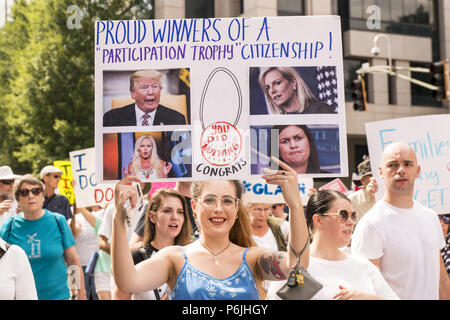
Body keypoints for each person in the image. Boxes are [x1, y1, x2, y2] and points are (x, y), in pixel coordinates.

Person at [111, 158, 309, 300]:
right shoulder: (173, 258)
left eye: (228, 201)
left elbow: (297, 266)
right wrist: (119, 217)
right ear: (195, 207)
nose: (218, 208)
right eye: (210, 200)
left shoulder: (254, 258)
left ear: (237, 208)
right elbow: (128, 281)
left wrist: (295, 204)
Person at [351, 142, 450, 300]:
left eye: (408, 164)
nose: (401, 170)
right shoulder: (371, 224)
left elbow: (442, 281)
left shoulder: (431, 217)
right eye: (393, 165)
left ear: (417, 171)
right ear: (381, 172)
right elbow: (366, 290)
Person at [267, 190, 399, 300]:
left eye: (353, 216)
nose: (350, 222)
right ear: (318, 220)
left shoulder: (363, 265)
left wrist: (367, 298)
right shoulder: (292, 264)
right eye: (343, 215)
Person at [0, 174, 86, 300]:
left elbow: (73, 261)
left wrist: (81, 293)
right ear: (18, 200)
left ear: (43, 197)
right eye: (24, 192)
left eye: (36, 191)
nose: (31, 196)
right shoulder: (9, 226)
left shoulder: (58, 221)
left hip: (59, 297)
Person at [117, 188, 193, 300]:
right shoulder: (137, 257)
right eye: (167, 211)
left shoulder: (192, 255)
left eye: (180, 212)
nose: (175, 217)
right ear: (152, 216)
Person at [103, 69, 186, 127]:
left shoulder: (177, 119)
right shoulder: (112, 118)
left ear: (160, 91)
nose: (150, 92)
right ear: (133, 93)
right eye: (144, 87)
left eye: (154, 86)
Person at [258, 67, 335, 115]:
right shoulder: (275, 123)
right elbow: (273, 142)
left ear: (293, 82)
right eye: (268, 88)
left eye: (277, 83)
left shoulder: (320, 110)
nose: (272, 91)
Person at [69, 205, 103, 300]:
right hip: (80, 265)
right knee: (83, 295)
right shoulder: (74, 218)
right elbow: (71, 236)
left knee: (98, 295)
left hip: (98, 265)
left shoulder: (99, 215)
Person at [348, 156, 378, 221]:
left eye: (378, 175)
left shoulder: (390, 195)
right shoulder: (352, 200)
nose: (375, 178)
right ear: (362, 180)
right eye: (371, 176)